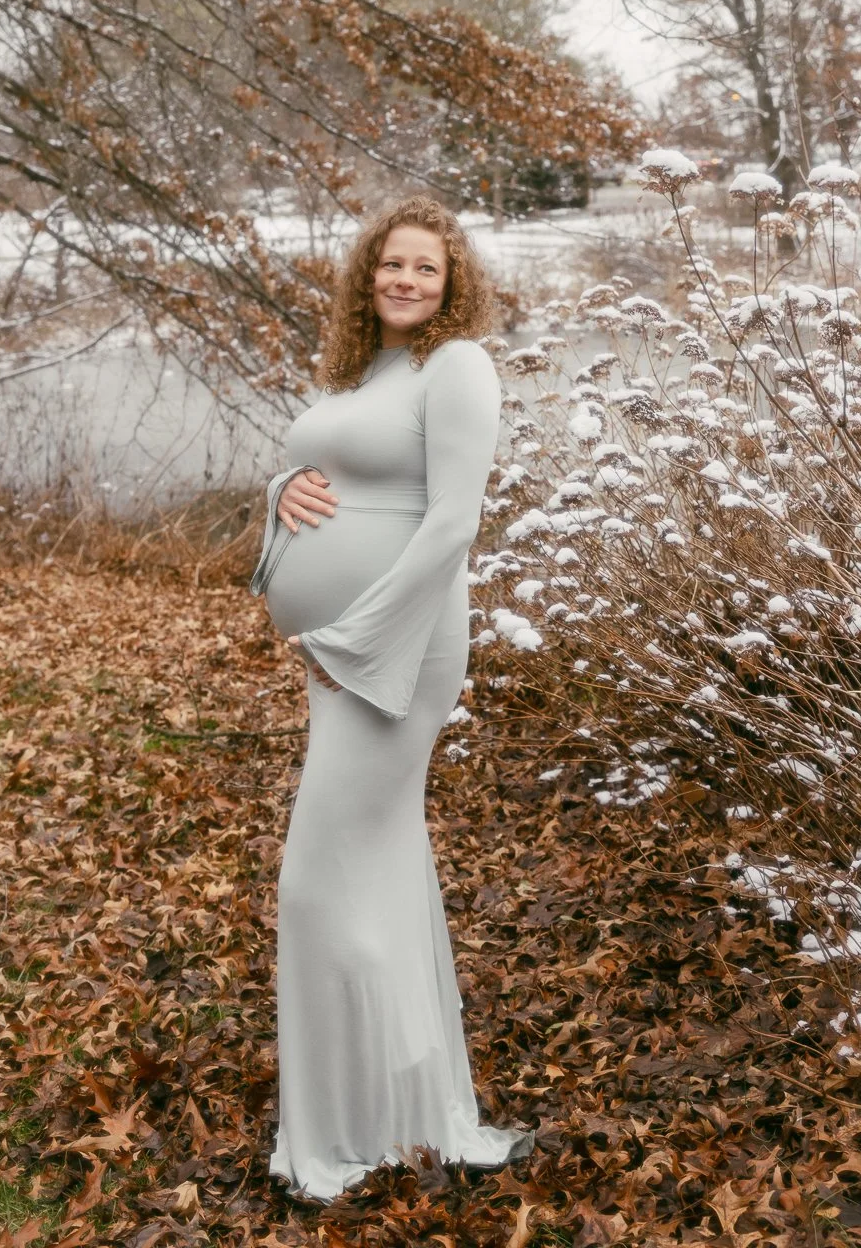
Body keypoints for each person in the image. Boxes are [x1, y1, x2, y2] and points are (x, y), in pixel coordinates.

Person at [249, 193, 534, 1203]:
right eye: (391, 263)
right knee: (378, 868)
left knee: (315, 881)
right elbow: (327, 473)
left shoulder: (456, 366)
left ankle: (341, 1133)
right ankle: (404, 1105)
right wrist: (279, 492)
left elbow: (452, 522)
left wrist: (355, 640)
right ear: (367, 272)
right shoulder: (368, 367)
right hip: (341, 654)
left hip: (394, 650)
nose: (405, 279)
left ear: (453, 282)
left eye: (426, 267)